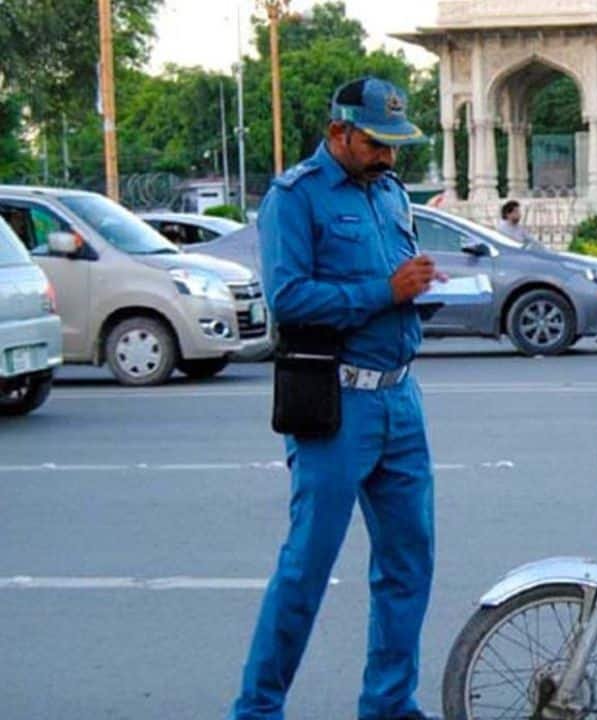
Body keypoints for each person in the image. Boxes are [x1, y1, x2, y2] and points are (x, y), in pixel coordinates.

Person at [230, 77, 441, 720]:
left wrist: (415, 291)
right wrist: (386, 291)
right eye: (376, 143)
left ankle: (389, 705)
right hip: (337, 404)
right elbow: (288, 298)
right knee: (307, 568)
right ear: (338, 133)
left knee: (408, 564)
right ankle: (257, 709)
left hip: (400, 399)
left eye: (395, 145)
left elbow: (395, 279)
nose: (388, 156)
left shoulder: (390, 192)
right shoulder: (295, 197)